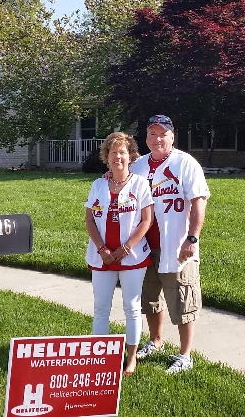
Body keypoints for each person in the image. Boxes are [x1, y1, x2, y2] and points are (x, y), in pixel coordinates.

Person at [130, 114, 210, 374]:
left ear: (172, 136)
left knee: (183, 301)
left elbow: (199, 201)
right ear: (146, 138)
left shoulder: (185, 163)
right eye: (152, 134)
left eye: (162, 134)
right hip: (145, 248)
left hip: (176, 246)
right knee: (151, 299)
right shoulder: (138, 166)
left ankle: (185, 354)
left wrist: (193, 237)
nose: (157, 139)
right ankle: (155, 341)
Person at [84, 132, 154, 376]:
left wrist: (126, 248)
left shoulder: (140, 184)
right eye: (113, 152)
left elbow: (146, 220)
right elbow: (90, 219)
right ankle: (99, 356)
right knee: (101, 308)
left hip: (132, 258)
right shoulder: (98, 184)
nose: (118, 157)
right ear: (107, 156)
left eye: (122, 152)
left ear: (131, 156)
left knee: (131, 307)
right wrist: (102, 249)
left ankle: (131, 357)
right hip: (101, 257)